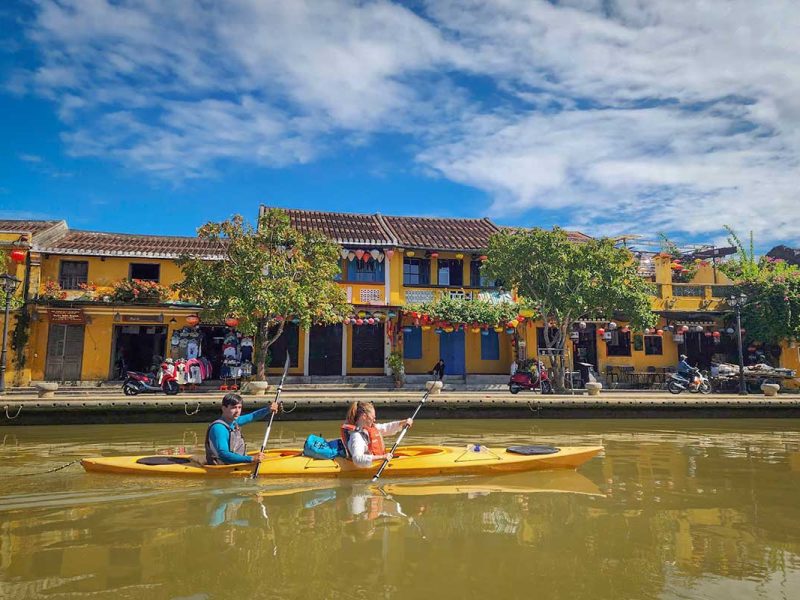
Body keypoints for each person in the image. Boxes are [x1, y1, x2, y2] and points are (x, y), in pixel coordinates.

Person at [205, 392, 279, 465]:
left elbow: (252, 416)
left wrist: (268, 409)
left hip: (236, 463)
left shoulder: (234, 421)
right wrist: (251, 459)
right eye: (233, 407)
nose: (237, 411)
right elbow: (223, 455)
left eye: (239, 407)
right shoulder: (218, 428)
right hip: (223, 466)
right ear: (224, 408)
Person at [340, 401, 413, 468]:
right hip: (369, 465)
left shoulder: (370, 428)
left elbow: (386, 427)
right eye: (373, 418)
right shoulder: (357, 436)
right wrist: (382, 457)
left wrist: (404, 422)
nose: (374, 420)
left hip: (377, 461)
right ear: (364, 417)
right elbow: (357, 459)